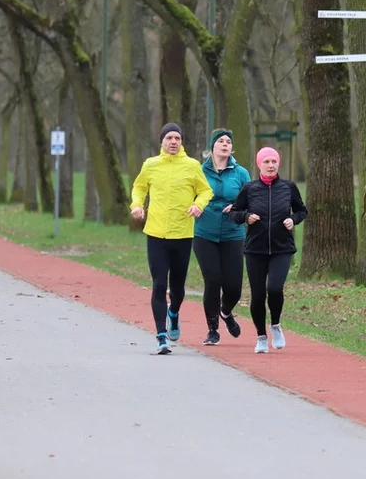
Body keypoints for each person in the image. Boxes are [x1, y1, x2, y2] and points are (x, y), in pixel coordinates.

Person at [130, 123, 213, 354]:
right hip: (156, 234)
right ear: (162, 142)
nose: (173, 141)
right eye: (169, 138)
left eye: (177, 137)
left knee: (177, 288)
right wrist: (137, 205)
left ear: (182, 141)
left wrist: (198, 205)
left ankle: (173, 313)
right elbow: (139, 188)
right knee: (159, 284)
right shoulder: (151, 165)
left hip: (183, 234)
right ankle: (161, 336)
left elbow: (206, 191)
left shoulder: (192, 166)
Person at [228, 147, 308, 354]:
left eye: (274, 161)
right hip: (255, 249)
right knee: (257, 295)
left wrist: (293, 219)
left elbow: (302, 210)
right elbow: (234, 213)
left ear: (278, 164)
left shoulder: (288, 187)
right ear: (259, 165)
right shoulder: (249, 188)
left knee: (274, 288)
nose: (271, 165)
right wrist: (246, 217)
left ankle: (276, 325)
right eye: (267, 162)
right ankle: (261, 336)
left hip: (282, 249)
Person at [193, 129, 251, 345]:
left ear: (231, 148)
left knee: (234, 287)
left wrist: (237, 208)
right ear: (213, 147)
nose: (225, 144)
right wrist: (194, 207)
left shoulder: (240, 173)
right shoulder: (199, 171)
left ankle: (225, 312)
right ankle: (212, 329)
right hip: (204, 233)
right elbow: (190, 196)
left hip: (233, 233)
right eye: (220, 141)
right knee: (213, 280)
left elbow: (251, 200)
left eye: (228, 141)